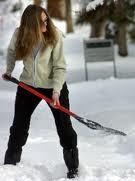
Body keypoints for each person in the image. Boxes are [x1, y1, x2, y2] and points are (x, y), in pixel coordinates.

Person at [1, 5, 79, 179]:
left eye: (46, 20)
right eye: (41, 22)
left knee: (65, 129)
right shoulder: (19, 34)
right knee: (18, 128)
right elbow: (12, 51)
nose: (45, 25)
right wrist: (9, 70)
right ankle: (9, 169)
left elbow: (60, 66)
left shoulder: (54, 35)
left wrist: (57, 92)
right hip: (28, 86)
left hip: (54, 86)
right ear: (30, 25)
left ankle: (74, 171)